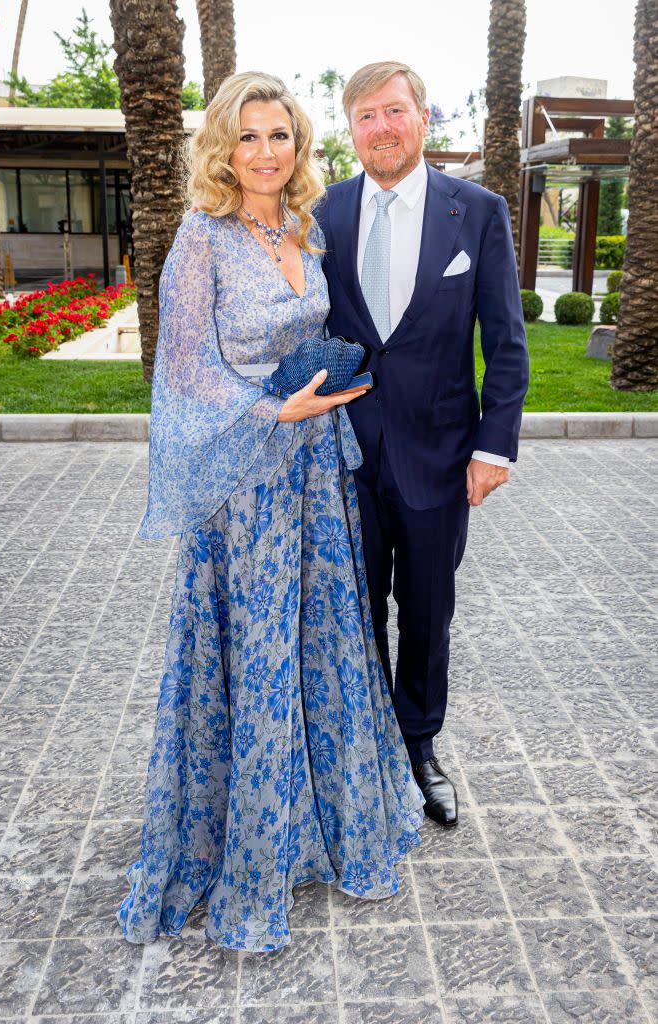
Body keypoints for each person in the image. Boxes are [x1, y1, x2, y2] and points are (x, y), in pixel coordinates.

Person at [115, 71, 425, 954]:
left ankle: (316, 821)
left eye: (278, 135)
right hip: (246, 482)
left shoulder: (306, 227)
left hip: (316, 478)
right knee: (254, 654)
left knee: (320, 644)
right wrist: (267, 410)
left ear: (298, 145)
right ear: (223, 146)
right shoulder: (200, 236)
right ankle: (241, 845)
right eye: (246, 137)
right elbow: (178, 371)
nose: (263, 152)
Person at [314, 61, 529, 827]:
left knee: (427, 610)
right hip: (342, 456)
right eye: (365, 116)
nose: (380, 127)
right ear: (351, 130)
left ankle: (417, 746)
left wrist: (492, 448)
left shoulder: (476, 211)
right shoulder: (323, 213)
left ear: (423, 117)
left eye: (393, 111)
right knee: (353, 608)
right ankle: (362, 744)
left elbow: (504, 342)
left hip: (441, 457)